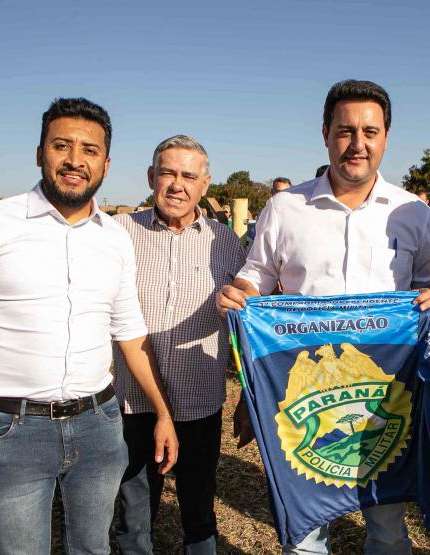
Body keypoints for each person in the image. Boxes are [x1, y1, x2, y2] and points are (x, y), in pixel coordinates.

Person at [0, 97, 179, 554]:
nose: (75, 160)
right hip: (11, 431)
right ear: (40, 151)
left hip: (99, 425)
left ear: (106, 162)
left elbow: (129, 330)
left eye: (90, 150)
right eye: (62, 146)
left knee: (92, 549)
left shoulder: (115, 238)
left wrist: (162, 411)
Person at [217, 79, 430, 555]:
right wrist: (241, 293)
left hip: (384, 391)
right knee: (305, 534)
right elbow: (256, 273)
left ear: (385, 138)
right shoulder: (285, 207)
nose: (357, 144)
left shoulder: (414, 212)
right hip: (304, 390)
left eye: (369, 131)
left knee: (387, 528)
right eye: (345, 131)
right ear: (325, 134)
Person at [112, 135, 246, 555]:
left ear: (205, 185)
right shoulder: (119, 233)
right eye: (168, 172)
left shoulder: (227, 243)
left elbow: (247, 321)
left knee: (198, 506)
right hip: (132, 400)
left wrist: (247, 394)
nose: (177, 184)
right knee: (133, 511)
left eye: (189, 176)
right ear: (151, 177)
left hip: (199, 401)